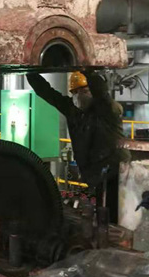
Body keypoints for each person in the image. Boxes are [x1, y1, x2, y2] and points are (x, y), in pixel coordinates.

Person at [26, 70, 126, 222]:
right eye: (75, 92)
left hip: (115, 172)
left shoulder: (106, 109)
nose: (79, 95)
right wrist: (30, 72)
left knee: (117, 213)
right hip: (94, 174)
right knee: (101, 213)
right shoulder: (73, 110)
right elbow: (46, 92)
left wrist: (87, 69)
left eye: (84, 91)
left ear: (92, 91)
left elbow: (101, 91)